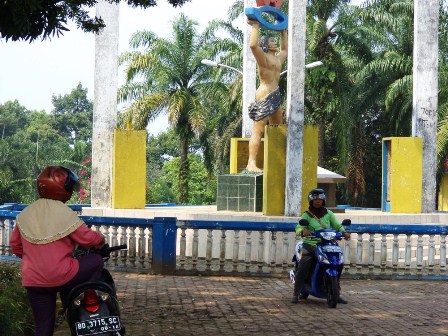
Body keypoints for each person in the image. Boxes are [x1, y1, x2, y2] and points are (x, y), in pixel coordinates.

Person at [10, 166, 106, 336]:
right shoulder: (64, 212)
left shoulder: (25, 214)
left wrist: (34, 258)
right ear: (63, 188)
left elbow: (16, 246)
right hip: (63, 276)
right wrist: (100, 239)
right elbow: (88, 239)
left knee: (43, 328)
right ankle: (83, 300)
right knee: (96, 262)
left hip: (33, 280)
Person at [291, 188, 351, 304]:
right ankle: (296, 293)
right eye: (315, 199)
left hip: (327, 244)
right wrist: (303, 231)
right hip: (311, 244)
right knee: (304, 266)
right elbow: (298, 227)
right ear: (311, 201)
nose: (317, 201)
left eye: (320, 199)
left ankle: (336, 293)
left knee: (338, 263)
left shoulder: (329, 214)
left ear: (324, 201)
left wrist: (344, 233)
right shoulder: (306, 215)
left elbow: (337, 226)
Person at [246, 19, 288, 173]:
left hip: (275, 94)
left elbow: (285, 50)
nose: (274, 42)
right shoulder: (262, 58)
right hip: (264, 94)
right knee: (258, 130)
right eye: (271, 40)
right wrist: (256, 25)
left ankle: (279, 161)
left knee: (280, 129)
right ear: (265, 45)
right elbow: (252, 45)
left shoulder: (277, 59)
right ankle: (251, 162)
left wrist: (283, 32)